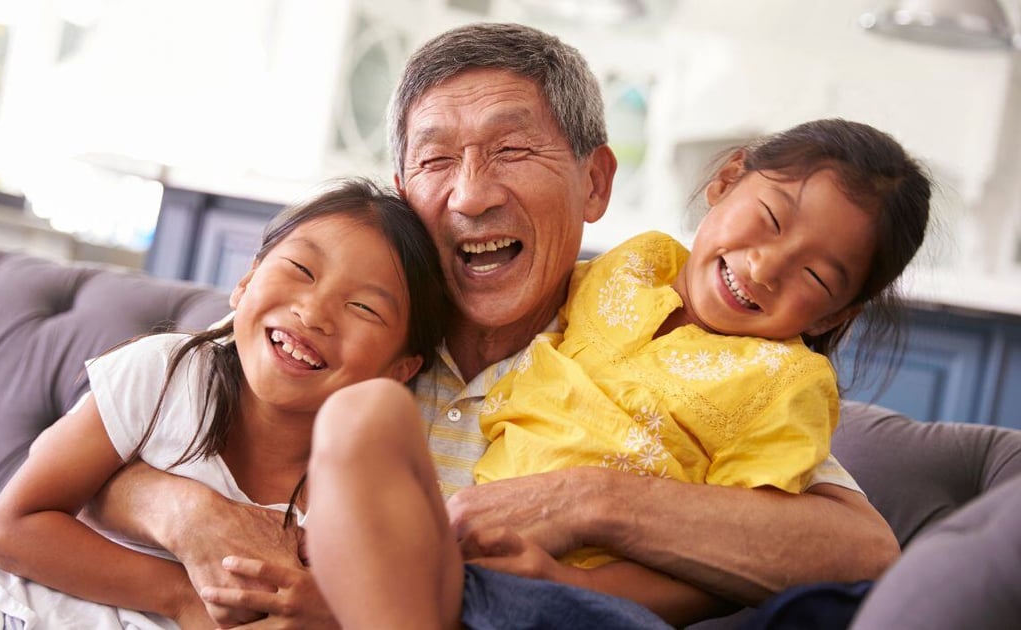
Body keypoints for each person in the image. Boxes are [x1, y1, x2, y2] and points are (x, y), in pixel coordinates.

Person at [87, 23, 904, 627]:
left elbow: (858, 552)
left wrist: (590, 502)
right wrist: (185, 512)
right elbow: (129, 432)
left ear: (594, 182)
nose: (472, 194)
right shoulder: (340, 324)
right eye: (437, 161)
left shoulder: (655, 338)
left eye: (513, 151)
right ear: (401, 190)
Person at [213, 118, 928, 629]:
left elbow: (782, 564)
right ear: (727, 180)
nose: (766, 265)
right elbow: (152, 402)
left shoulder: (784, 383)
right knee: (359, 414)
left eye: (814, 272)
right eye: (769, 220)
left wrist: (571, 556)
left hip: (576, 601)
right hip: (457, 573)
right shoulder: (627, 272)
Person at [0, 178, 448, 628]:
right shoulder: (165, 373)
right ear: (246, 281)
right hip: (5, 611)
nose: (312, 313)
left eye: (363, 307)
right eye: (300, 269)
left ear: (400, 370)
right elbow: (12, 527)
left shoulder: (366, 493)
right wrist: (180, 596)